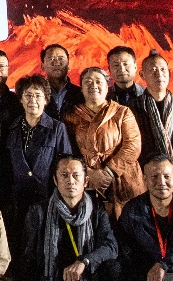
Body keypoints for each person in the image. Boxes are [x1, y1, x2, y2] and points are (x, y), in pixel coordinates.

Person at [21, 155, 129, 281]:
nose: (70, 181)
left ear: (86, 182)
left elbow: (110, 247)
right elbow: (27, 260)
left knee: (114, 269)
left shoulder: (96, 211)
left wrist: (85, 261)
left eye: (76, 176)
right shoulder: (39, 212)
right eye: (64, 175)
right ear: (55, 180)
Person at [62, 66, 145, 218]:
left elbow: (132, 145)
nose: (93, 85)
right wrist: (89, 172)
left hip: (123, 179)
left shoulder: (122, 112)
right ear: (81, 89)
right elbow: (68, 151)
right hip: (88, 180)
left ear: (107, 87)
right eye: (88, 82)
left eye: (98, 81)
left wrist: (108, 172)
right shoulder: (71, 117)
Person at [3, 74, 72, 225]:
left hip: (47, 197)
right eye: (28, 95)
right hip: (18, 200)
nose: (32, 100)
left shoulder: (57, 128)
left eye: (38, 95)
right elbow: (6, 165)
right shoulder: (12, 128)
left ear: (46, 100)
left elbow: (66, 164)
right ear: (20, 99)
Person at [131, 51, 173, 175]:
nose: (159, 74)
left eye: (163, 69)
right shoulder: (132, 108)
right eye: (153, 70)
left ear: (169, 73)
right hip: (147, 177)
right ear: (142, 75)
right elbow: (133, 148)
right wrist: (153, 176)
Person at [41, 43, 81, 118]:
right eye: (51, 59)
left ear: (68, 64)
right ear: (42, 66)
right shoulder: (37, 94)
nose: (56, 63)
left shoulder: (80, 94)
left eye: (61, 58)